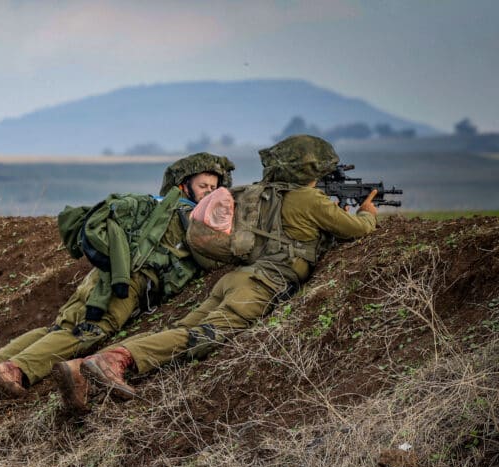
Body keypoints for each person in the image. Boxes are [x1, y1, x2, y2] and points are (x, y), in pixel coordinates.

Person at [53, 135, 378, 412]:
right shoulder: (310, 199)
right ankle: (117, 360)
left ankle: (81, 368)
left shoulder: (259, 192)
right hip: (260, 285)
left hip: (234, 278)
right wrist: (367, 213)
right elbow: (356, 230)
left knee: (182, 328)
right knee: (200, 337)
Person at [0, 152, 235, 398]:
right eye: (204, 186)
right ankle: (15, 370)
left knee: (61, 327)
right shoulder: (185, 215)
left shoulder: (151, 204)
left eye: (214, 187)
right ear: (183, 186)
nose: (210, 193)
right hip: (126, 281)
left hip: (101, 274)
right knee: (90, 332)